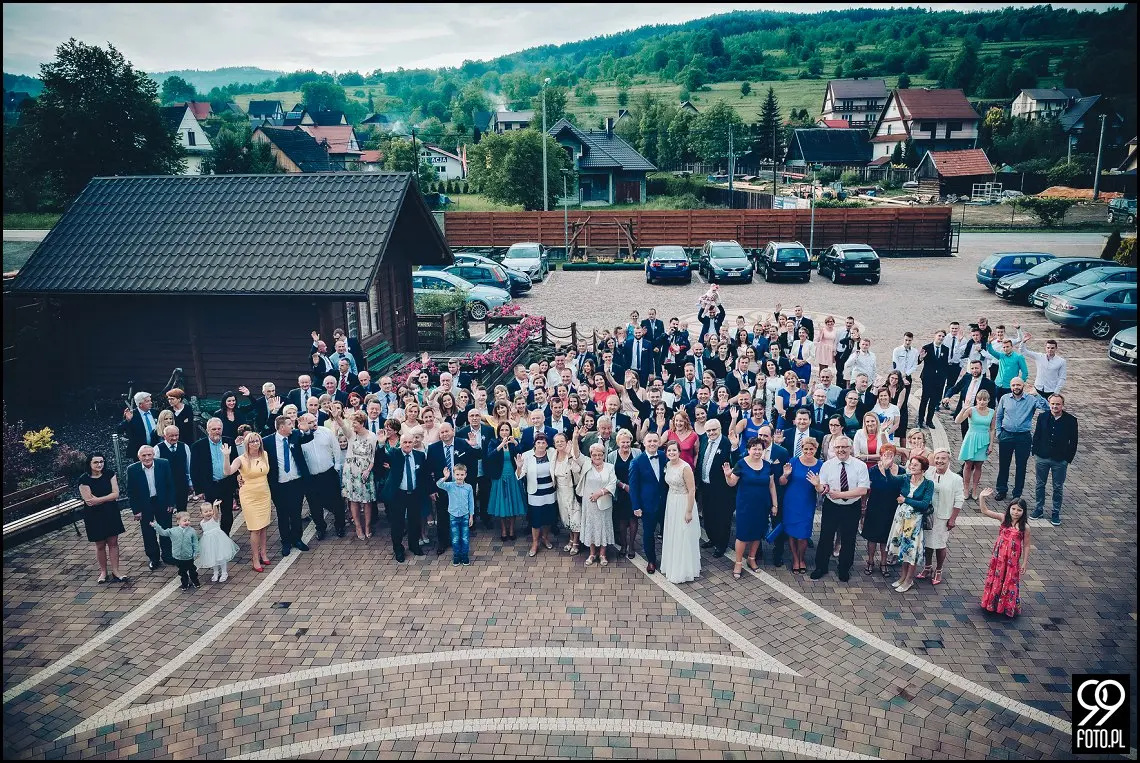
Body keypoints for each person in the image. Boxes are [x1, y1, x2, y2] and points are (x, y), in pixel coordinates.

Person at [809, 436, 870, 582]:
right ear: (833, 449)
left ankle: (844, 569)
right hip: (832, 506)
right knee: (825, 537)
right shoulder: (827, 465)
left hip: (851, 507)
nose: (841, 450)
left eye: (844, 447)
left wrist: (840, 494)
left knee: (849, 539)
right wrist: (817, 486)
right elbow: (823, 488)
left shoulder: (860, 466)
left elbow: (863, 490)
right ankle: (821, 567)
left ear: (850, 448)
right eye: (837, 447)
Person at [222, 434, 272, 572]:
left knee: (264, 526)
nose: (255, 444)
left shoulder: (265, 455)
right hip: (249, 496)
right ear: (246, 444)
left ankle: (264, 553)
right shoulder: (241, 459)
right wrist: (226, 456)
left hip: (264, 493)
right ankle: (255, 558)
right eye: (251, 442)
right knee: (255, 528)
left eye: (257, 441)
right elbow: (227, 471)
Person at [884, 455, 935, 593]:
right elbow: (891, 481)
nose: (911, 466)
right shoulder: (905, 478)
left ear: (923, 469)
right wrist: (887, 468)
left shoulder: (928, 484)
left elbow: (924, 504)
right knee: (903, 549)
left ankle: (909, 580)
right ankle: (902, 577)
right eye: (911, 464)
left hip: (915, 522)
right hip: (901, 519)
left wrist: (905, 499)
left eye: (915, 465)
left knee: (911, 551)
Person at [993, 378, 1049, 501]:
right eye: (1013, 385)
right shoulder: (1005, 398)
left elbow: (1047, 407)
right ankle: (1001, 490)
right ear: (1010, 386)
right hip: (1006, 435)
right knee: (1004, 465)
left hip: (1023, 437)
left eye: (1018, 385)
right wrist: (998, 432)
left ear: (1023, 385)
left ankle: (1017, 494)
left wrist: (1037, 394)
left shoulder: (1031, 399)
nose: (1016, 387)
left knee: (1021, 466)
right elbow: (999, 416)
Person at [978, 488, 1030, 617]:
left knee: (1009, 580)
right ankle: (992, 603)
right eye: (1013, 509)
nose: (1016, 512)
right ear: (1009, 509)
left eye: (1019, 510)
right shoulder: (1003, 518)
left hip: (1012, 561)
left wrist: (1024, 563)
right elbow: (985, 511)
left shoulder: (1025, 527)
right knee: (997, 578)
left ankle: (1006, 605)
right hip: (999, 558)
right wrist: (981, 497)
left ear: (1023, 512)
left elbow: (1027, 545)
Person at [427, 422, 476, 555]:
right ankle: (443, 542)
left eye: (447, 431)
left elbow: (475, 460)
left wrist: (474, 445)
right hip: (443, 488)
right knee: (442, 516)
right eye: (442, 432)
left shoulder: (463, 443)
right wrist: (432, 490)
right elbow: (428, 471)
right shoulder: (433, 448)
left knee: (461, 515)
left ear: (453, 431)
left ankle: (460, 540)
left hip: (460, 488)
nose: (444, 434)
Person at [379, 431, 430, 562]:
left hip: (414, 494)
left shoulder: (420, 455)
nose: (407, 445)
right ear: (400, 443)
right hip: (398, 494)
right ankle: (398, 548)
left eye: (409, 442)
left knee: (414, 521)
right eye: (404, 442)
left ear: (414, 443)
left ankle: (414, 545)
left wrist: (430, 490)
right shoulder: (394, 453)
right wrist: (380, 444)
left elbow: (424, 475)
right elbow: (382, 458)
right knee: (397, 524)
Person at [775, 435, 821, 575]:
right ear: (801, 449)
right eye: (805, 449)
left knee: (803, 535)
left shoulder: (820, 465)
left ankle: (802, 557)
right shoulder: (794, 461)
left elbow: (821, 489)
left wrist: (817, 484)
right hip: (791, 502)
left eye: (811, 449)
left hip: (807, 503)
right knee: (792, 533)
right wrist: (785, 474)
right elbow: (782, 482)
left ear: (815, 449)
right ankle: (796, 559)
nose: (808, 451)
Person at [78, 452, 126, 584]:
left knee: (113, 542)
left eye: (101, 461)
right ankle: (103, 572)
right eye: (96, 462)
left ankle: (116, 571)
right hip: (94, 515)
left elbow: (116, 494)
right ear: (89, 464)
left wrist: (99, 499)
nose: (99, 464)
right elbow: (89, 501)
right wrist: (107, 498)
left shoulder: (110, 474)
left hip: (111, 512)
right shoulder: (83, 479)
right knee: (100, 544)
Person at [1031, 394, 1078, 526]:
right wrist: (1035, 451)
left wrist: (1067, 459)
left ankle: (1055, 512)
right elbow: (1037, 435)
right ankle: (1038, 508)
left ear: (1062, 405)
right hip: (1042, 457)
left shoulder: (1071, 420)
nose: (1055, 406)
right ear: (1049, 403)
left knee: (1058, 487)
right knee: (1040, 484)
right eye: (1052, 404)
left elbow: (1073, 441)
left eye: (1057, 404)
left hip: (1060, 459)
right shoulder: (1042, 417)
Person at [127, 445, 176, 570]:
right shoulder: (132, 469)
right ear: (139, 457)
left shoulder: (163, 464)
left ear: (154, 455)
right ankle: (153, 558)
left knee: (165, 528)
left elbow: (170, 484)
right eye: (144, 455)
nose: (147, 457)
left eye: (149, 454)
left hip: (162, 501)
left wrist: (171, 503)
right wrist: (136, 510)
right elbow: (131, 491)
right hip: (145, 504)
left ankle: (167, 555)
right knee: (148, 532)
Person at [920, 449, 965, 585]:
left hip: (943, 515)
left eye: (943, 458)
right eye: (937, 458)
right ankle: (927, 567)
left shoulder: (956, 479)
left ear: (949, 461)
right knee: (927, 542)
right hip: (927, 514)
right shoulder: (928, 473)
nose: (940, 461)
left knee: (939, 544)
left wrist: (953, 519)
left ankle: (938, 569)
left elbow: (959, 500)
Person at [297, 412, 343, 540]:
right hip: (311, 477)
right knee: (315, 505)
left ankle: (339, 525)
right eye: (310, 422)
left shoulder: (326, 432)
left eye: (315, 420)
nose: (314, 424)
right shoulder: (300, 437)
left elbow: (336, 448)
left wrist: (337, 466)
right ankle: (320, 528)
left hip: (328, 473)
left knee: (336, 501)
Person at [660, 440, 701, 583]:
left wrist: (689, 511)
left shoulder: (685, 467)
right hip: (671, 502)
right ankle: (672, 564)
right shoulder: (668, 465)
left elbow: (692, 490)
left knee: (683, 535)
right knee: (673, 534)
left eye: (674, 450)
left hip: (684, 502)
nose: (671, 453)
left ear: (679, 452)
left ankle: (684, 569)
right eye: (669, 451)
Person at [190, 418, 240, 536]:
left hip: (226, 484)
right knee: (211, 514)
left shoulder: (229, 442)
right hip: (210, 485)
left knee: (227, 513)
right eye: (213, 429)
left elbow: (235, 462)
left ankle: (224, 536)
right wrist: (199, 490)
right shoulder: (198, 446)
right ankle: (213, 536)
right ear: (208, 430)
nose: (217, 431)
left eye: (219, 429)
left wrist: (236, 485)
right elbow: (194, 469)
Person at [629, 431, 669, 574]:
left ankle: (669, 559)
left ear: (659, 443)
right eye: (649, 441)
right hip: (647, 505)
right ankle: (651, 560)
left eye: (654, 441)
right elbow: (633, 487)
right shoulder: (637, 462)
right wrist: (636, 506)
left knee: (668, 532)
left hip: (666, 503)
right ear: (644, 443)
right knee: (648, 534)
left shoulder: (665, 456)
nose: (652, 444)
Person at [335, 410, 377, 540]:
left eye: (355, 423)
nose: (353, 426)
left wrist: (368, 470)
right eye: (352, 423)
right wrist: (337, 417)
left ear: (362, 423)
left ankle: (368, 526)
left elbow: (373, 457)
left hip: (365, 471)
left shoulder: (372, 436)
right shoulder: (351, 434)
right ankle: (358, 526)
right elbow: (343, 426)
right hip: (351, 471)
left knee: (367, 501)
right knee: (353, 500)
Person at [696, 419, 735, 557]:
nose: (711, 433)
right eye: (709, 430)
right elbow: (701, 460)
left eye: (714, 430)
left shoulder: (726, 443)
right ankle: (712, 539)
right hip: (706, 486)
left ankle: (721, 545)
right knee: (709, 515)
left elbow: (734, 462)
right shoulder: (705, 440)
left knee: (722, 518)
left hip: (722, 488)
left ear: (719, 429)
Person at [861, 442, 902, 577]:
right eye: (885, 455)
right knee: (872, 537)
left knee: (886, 538)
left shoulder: (901, 471)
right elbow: (866, 490)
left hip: (891, 508)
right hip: (875, 506)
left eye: (891, 455)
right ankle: (870, 561)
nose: (888, 457)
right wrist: (863, 506)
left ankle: (883, 562)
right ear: (881, 456)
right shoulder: (873, 470)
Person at [516, 433, 558, 557]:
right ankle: (535, 543)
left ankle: (545, 538)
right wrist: (519, 467)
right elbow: (520, 475)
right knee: (536, 519)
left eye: (543, 442)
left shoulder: (552, 453)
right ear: (534, 443)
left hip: (550, 491)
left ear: (547, 444)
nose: (541, 445)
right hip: (535, 493)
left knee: (548, 517)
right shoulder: (527, 455)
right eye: (538, 442)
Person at [578, 442, 618, 567]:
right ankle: (591, 553)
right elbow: (576, 455)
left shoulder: (610, 467)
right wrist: (575, 438)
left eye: (599, 455)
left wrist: (600, 493)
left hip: (604, 502)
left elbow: (612, 483)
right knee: (591, 526)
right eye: (594, 455)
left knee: (603, 527)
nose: (597, 457)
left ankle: (602, 554)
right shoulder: (586, 465)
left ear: (603, 455)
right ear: (590, 455)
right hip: (589, 502)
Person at [485, 421, 526, 542]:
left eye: (506, 430)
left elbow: (521, 455)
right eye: (502, 430)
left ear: (510, 431)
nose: (504, 432)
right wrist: (500, 445)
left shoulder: (513, 442)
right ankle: (503, 529)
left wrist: (515, 443)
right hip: (499, 477)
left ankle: (512, 529)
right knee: (502, 503)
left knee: (513, 502)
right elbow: (489, 456)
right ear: (498, 432)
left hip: (513, 476)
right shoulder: (494, 442)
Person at [607, 429, 642, 560]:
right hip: (620, 492)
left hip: (635, 491)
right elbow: (609, 474)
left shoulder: (637, 453)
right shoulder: (611, 456)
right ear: (618, 442)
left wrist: (634, 487)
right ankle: (624, 544)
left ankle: (632, 546)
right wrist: (622, 485)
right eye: (623, 442)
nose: (626, 445)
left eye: (628, 442)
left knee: (633, 519)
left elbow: (641, 470)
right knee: (621, 520)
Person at [956, 389, 996, 500]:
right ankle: (965, 488)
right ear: (976, 400)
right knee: (968, 465)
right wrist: (963, 408)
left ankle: (974, 489)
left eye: (985, 400)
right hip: (971, 439)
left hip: (984, 440)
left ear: (988, 400)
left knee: (978, 465)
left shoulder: (992, 412)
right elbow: (957, 421)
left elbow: (992, 429)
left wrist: (991, 444)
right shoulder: (971, 410)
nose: (982, 402)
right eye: (980, 399)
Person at [943, 359, 997, 439]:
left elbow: (992, 402)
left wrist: (988, 416)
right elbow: (955, 388)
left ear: (981, 369)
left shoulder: (989, 384)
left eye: (976, 368)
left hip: (978, 413)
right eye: (972, 368)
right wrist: (947, 396)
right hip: (965, 411)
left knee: (975, 435)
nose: (974, 370)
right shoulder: (966, 378)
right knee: (965, 435)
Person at [436, 464, 475, 566]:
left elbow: (471, 502)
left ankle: (464, 555)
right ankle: (456, 555)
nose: (459, 477)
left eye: (462, 474)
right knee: (455, 537)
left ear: (465, 475)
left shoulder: (468, 487)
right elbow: (439, 484)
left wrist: (471, 516)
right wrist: (445, 477)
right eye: (457, 474)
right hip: (453, 516)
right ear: (454, 474)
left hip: (465, 515)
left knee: (465, 538)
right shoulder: (450, 486)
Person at [150, 511, 200, 589]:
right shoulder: (173, 531)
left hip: (189, 556)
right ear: (178, 522)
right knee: (182, 572)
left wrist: (196, 551)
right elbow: (163, 533)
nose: (187, 522)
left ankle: (195, 581)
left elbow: (195, 542)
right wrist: (156, 526)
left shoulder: (192, 531)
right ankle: (185, 583)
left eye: (188, 520)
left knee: (192, 570)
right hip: (178, 557)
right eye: (185, 520)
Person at [196, 499, 238, 583]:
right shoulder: (202, 523)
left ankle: (224, 572)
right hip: (208, 542)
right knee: (213, 557)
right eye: (205, 512)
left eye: (210, 511)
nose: (208, 513)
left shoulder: (214, 519)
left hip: (218, 539)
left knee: (221, 556)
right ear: (201, 514)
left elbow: (216, 515)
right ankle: (215, 572)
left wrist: (215, 506)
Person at [153, 425, 193, 513]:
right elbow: (155, 470)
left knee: (182, 510)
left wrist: (190, 483)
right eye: (171, 436)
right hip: (166, 485)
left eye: (177, 435)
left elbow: (189, 466)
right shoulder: (158, 449)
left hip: (181, 483)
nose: (175, 438)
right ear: (164, 436)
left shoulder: (185, 447)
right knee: (167, 511)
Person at [916, 331, 951, 429]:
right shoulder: (927, 347)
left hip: (939, 380)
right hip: (928, 378)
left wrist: (944, 377)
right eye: (939, 336)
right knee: (924, 400)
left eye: (943, 336)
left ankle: (929, 420)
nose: (941, 338)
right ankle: (920, 420)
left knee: (934, 401)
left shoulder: (945, 349)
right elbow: (918, 361)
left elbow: (945, 365)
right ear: (935, 336)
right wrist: (921, 358)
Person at [119, 391, 159, 457]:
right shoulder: (132, 415)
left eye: (150, 400)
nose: (151, 403)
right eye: (148, 401)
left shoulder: (155, 412)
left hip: (155, 449)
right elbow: (119, 430)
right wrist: (127, 420)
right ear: (140, 404)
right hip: (139, 451)